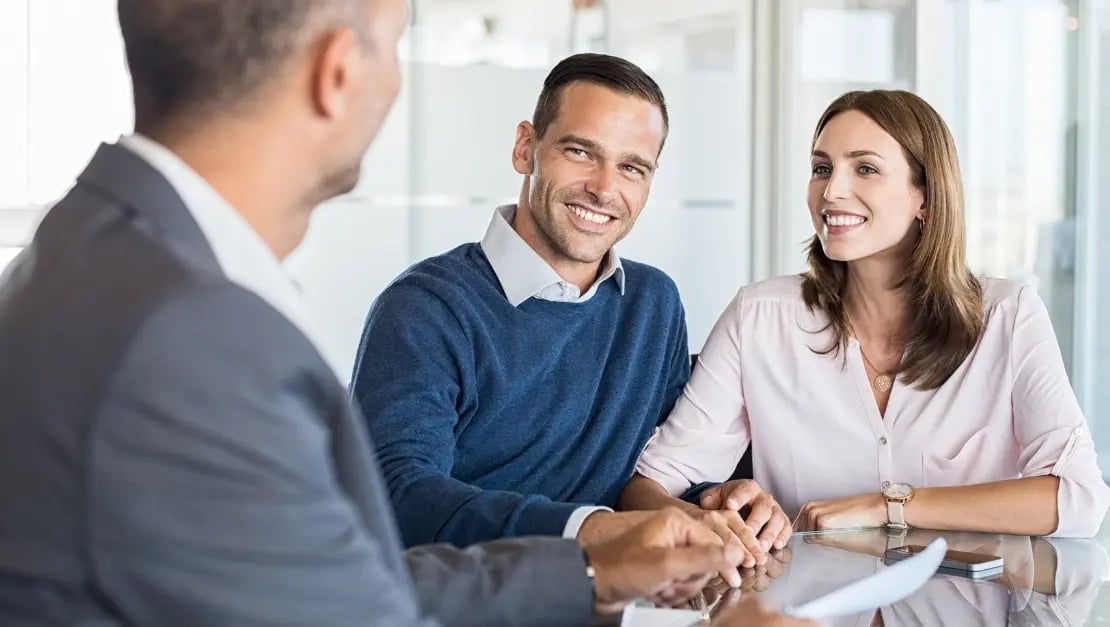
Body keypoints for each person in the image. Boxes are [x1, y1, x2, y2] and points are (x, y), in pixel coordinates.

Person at [0, 1, 816, 626]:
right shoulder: (195, 334)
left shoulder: (99, 264)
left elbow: (325, 578)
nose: (606, 186)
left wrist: (651, 537)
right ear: (337, 71)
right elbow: (360, 590)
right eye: (395, 43)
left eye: (633, 166)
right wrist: (596, 547)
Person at [348, 52, 789, 575]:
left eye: (631, 167)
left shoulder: (653, 304)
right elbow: (398, 497)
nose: (604, 188)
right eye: (581, 152)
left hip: (612, 599)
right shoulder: (425, 308)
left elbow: (648, 472)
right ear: (524, 148)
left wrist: (716, 501)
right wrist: (594, 529)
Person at [622, 89, 1110, 539]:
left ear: (925, 196)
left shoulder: (1008, 317)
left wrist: (888, 505)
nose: (831, 191)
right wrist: (714, 529)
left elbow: (1079, 499)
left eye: (866, 169)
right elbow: (647, 488)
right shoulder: (759, 318)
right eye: (821, 168)